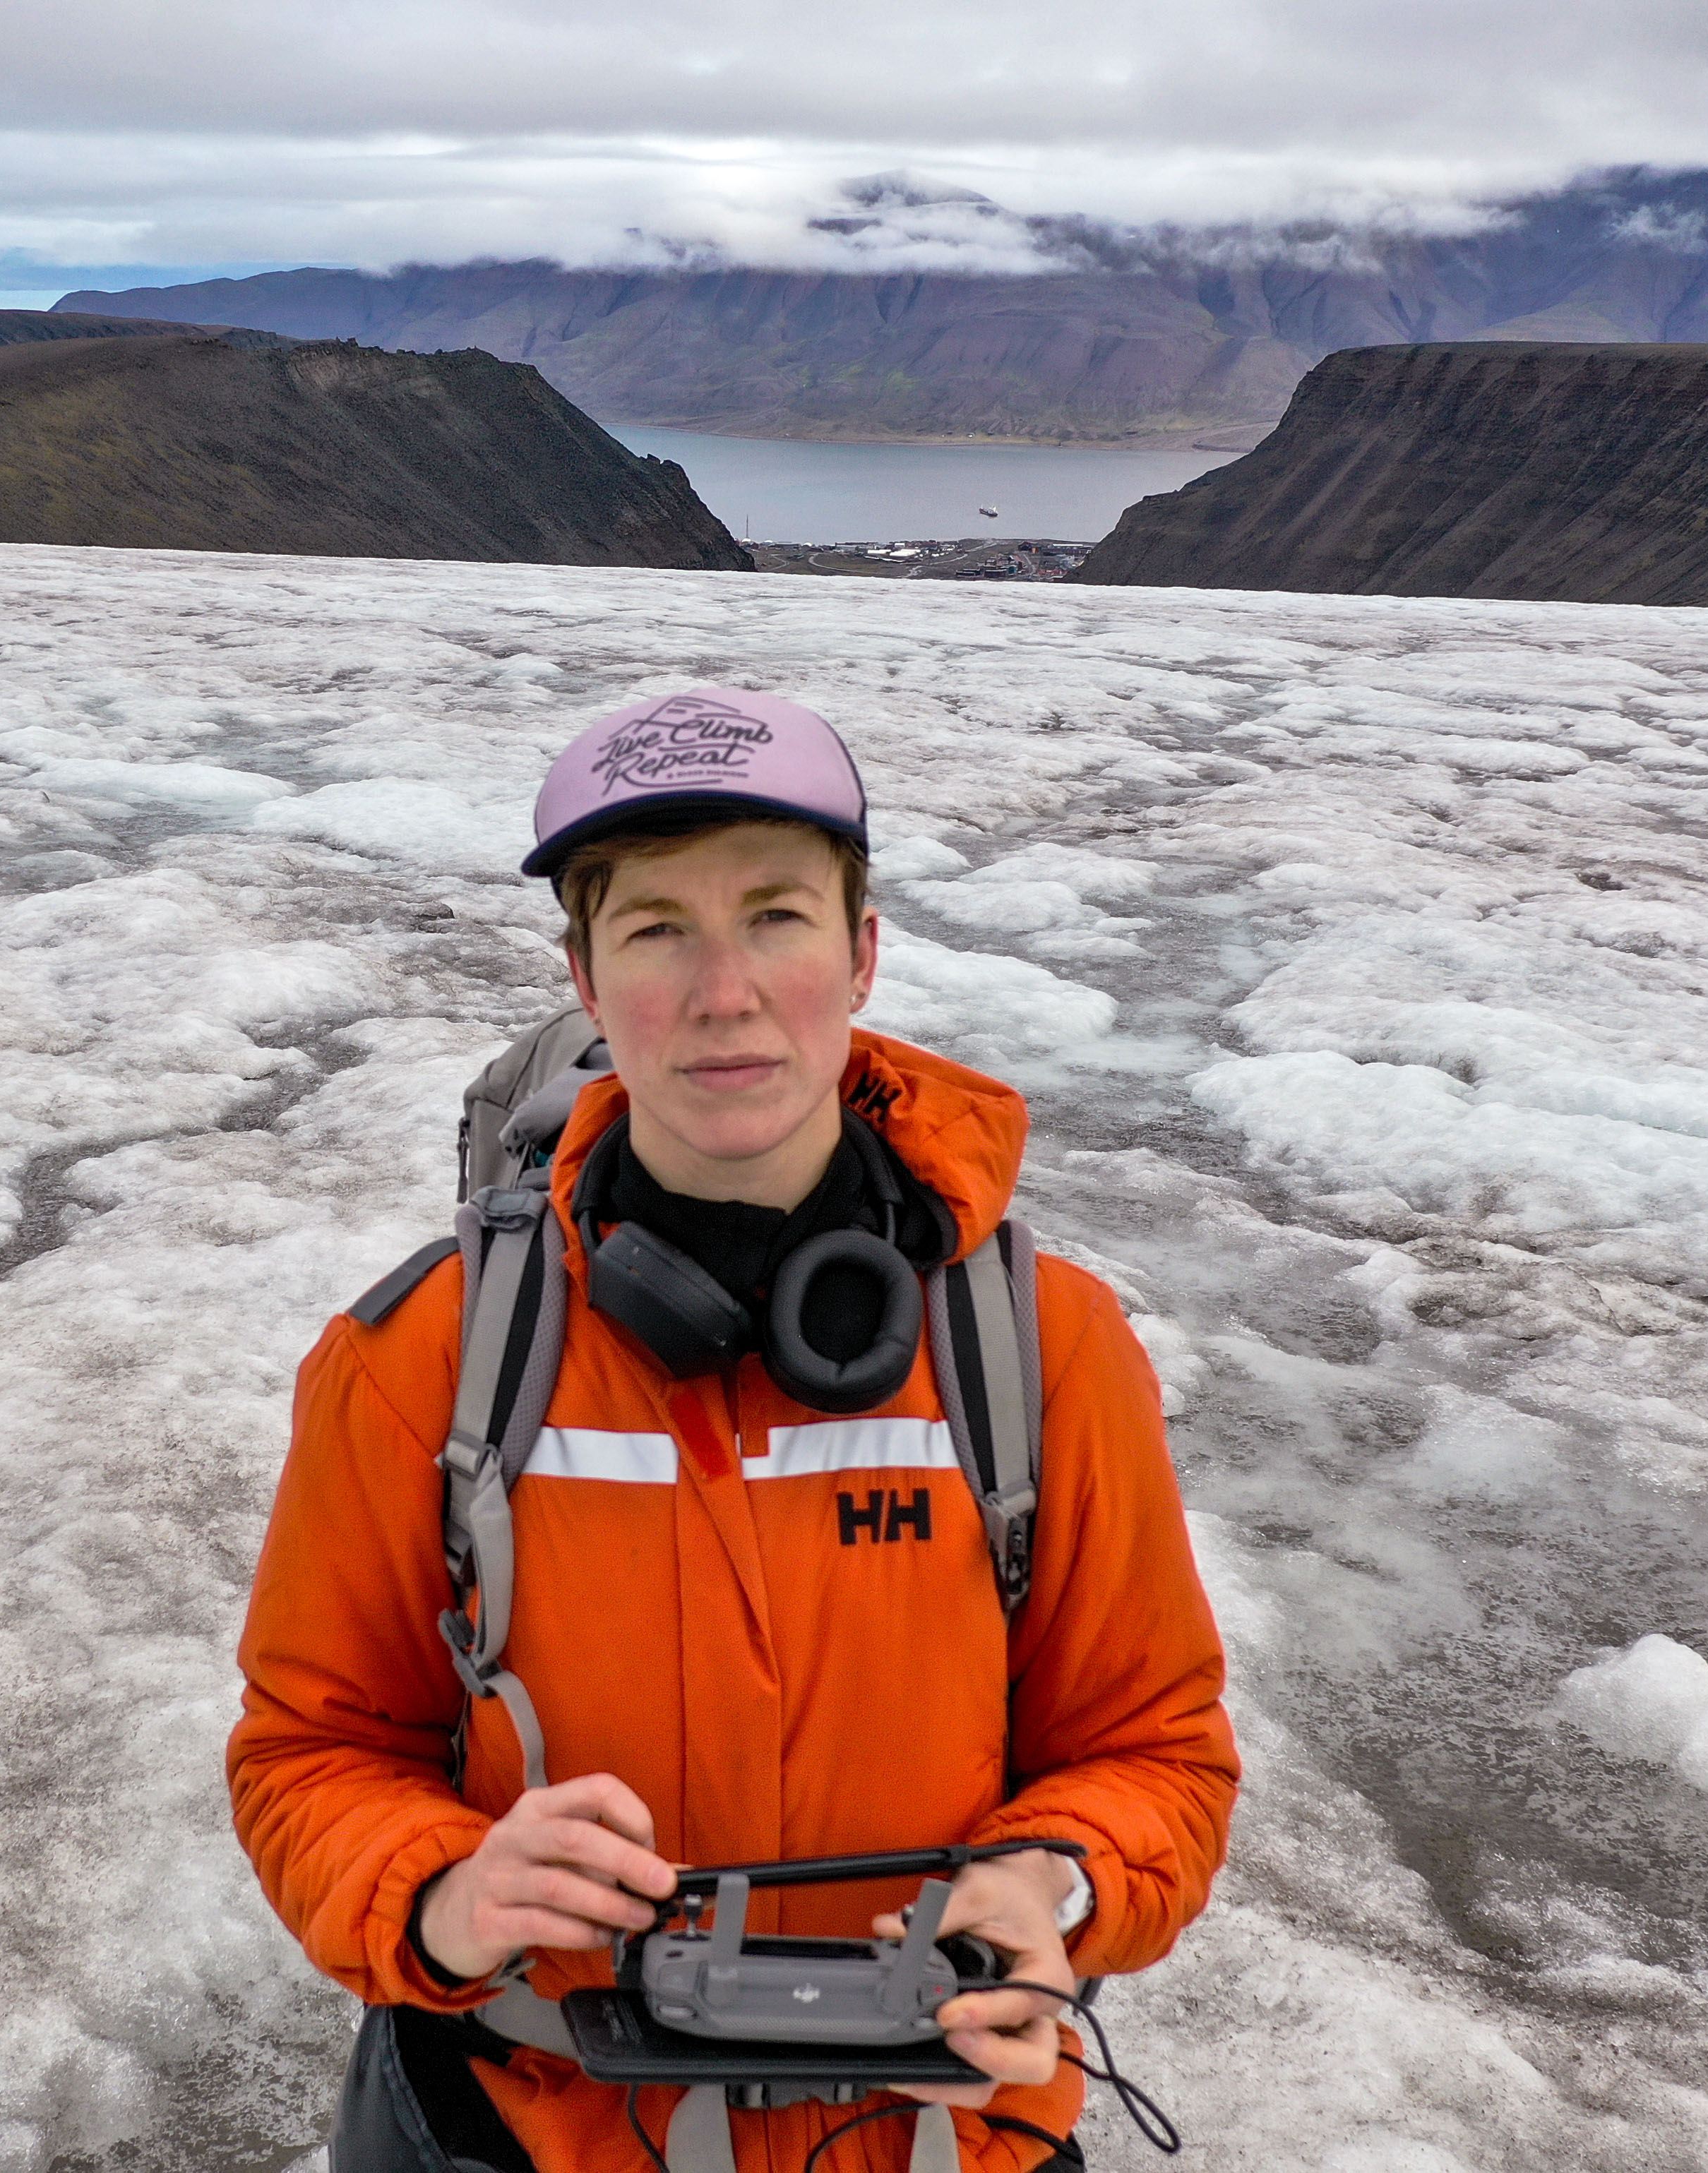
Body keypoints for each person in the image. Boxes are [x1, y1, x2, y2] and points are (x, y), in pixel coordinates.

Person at [232, 689, 1239, 2173]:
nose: (725, 992)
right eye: (655, 933)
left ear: (861, 952)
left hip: (949, 2144)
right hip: (536, 2136)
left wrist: (1057, 1888)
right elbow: (309, 1752)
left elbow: (1156, 1750)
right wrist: (444, 1893)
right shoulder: (426, 1360)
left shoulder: (1040, 1350)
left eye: (777, 918)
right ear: (582, 972)